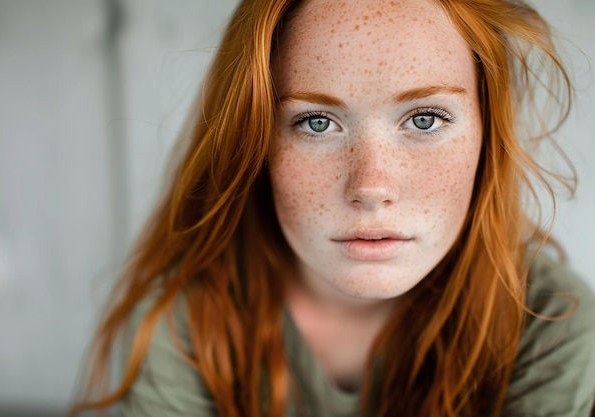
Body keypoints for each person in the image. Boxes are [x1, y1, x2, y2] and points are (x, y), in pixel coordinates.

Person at [68, 0, 595, 416]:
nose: (370, 186)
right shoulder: (187, 323)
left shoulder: (548, 324)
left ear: (488, 136)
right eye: (317, 123)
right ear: (255, 144)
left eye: (426, 119)